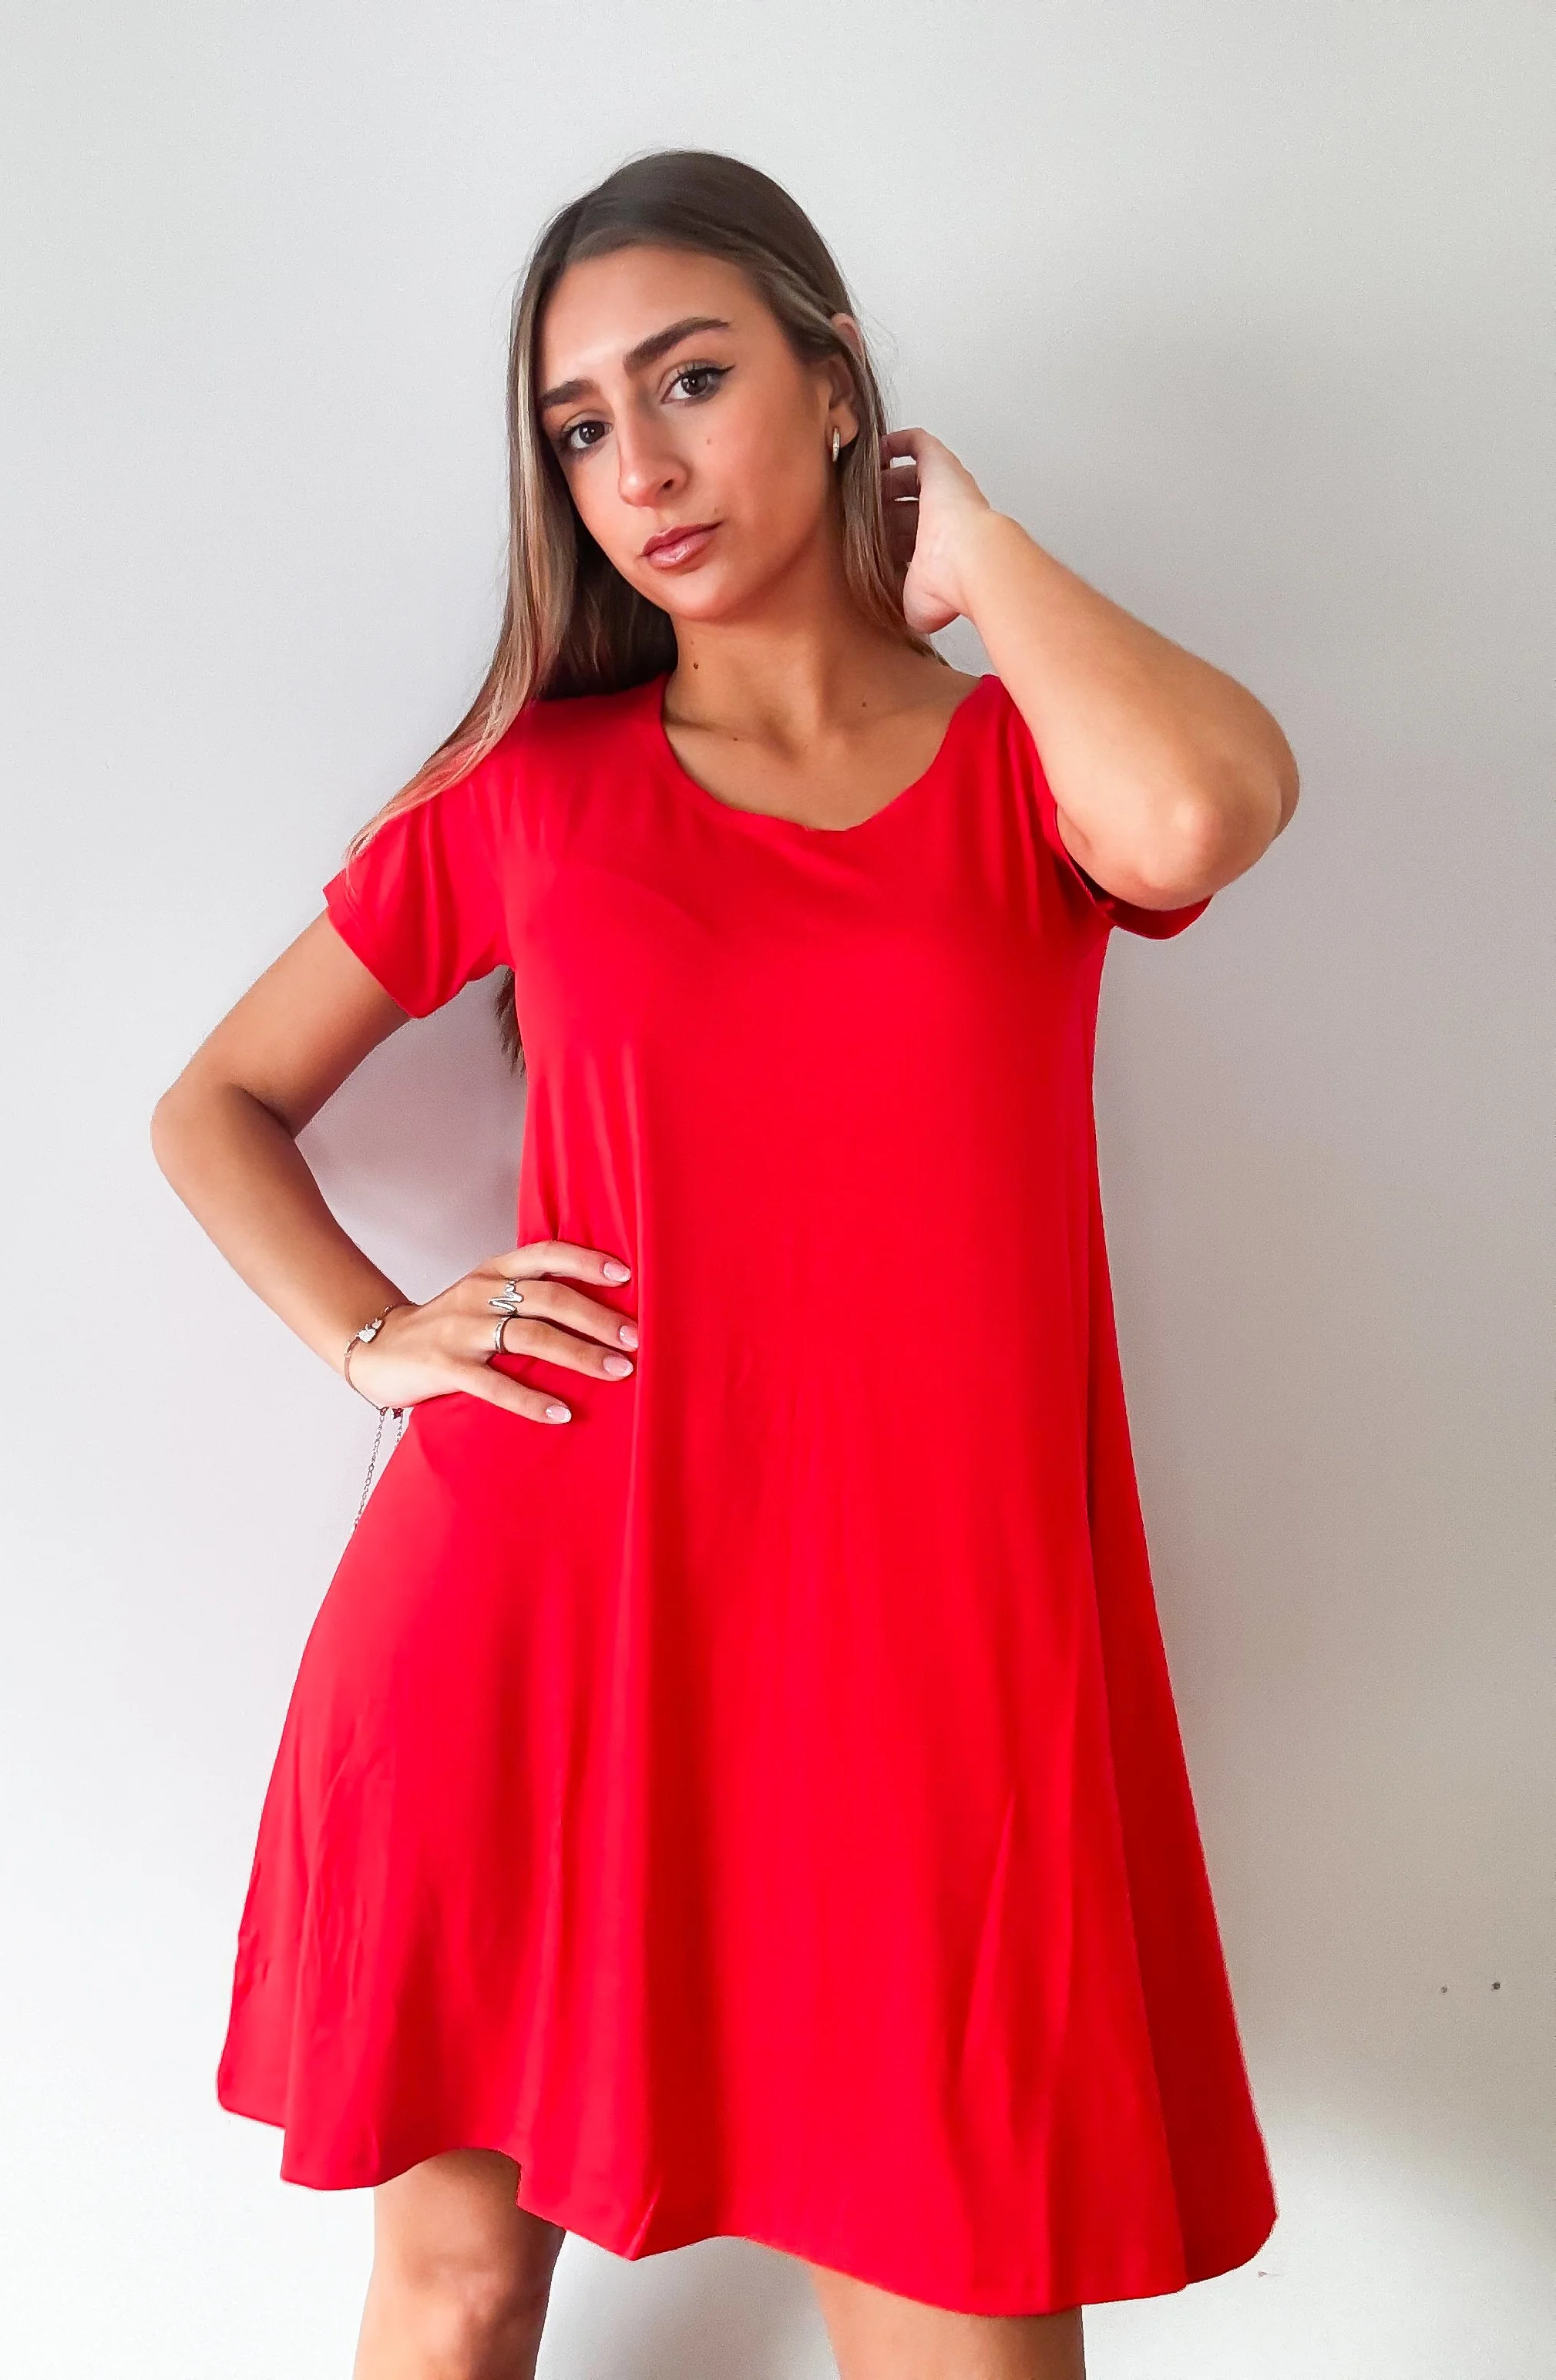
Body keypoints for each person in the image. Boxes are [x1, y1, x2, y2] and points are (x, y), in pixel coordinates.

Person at [151, 147, 1296, 2380]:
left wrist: (972, 552)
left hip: (924, 1680)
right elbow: (216, 1105)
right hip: (537, 1627)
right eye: (580, 426)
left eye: (691, 380)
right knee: (458, 2288)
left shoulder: (1025, 773)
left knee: (964, 2313)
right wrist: (376, 1337)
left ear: (834, 377)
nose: (642, 469)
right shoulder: (529, 794)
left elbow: (1199, 816)